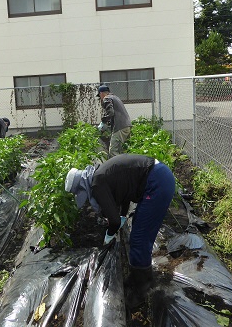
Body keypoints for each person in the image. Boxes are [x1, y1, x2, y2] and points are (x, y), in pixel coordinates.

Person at [64, 154, 176, 308]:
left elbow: (114, 221)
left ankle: (142, 290)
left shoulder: (97, 183)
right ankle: (138, 276)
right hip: (158, 175)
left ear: (82, 186)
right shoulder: (100, 175)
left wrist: (109, 234)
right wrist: (122, 215)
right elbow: (124, 193)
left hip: (157, 182)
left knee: (139, 239)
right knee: (138, 228)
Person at [96, 85, 132, 158]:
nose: (100, 98)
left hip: (120, 127)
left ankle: (118, 168)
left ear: (101, 93)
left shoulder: (107, 98)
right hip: (126, 125)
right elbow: (114, 113)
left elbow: (110, 113)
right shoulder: (115, 97)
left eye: (100, 96)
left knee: (113, 152)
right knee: (121, 150)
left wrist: (103, 121)